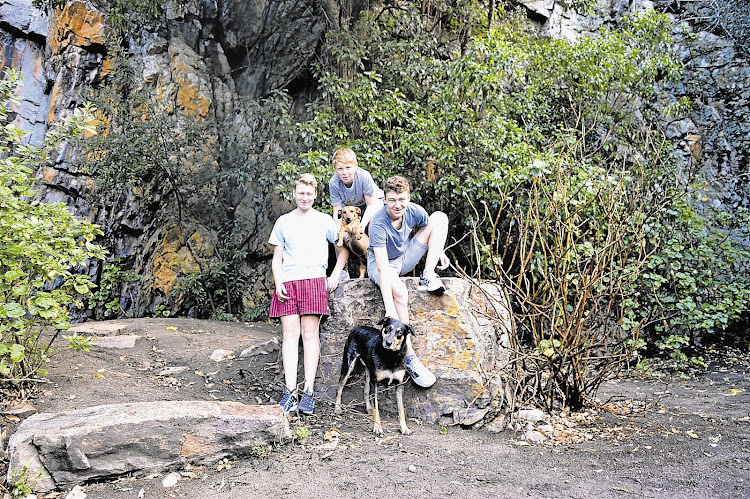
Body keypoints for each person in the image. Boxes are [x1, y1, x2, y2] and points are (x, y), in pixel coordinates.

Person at [269, 173, 348, 414]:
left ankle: (309, 392)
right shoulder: (283, 221)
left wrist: (334, 275)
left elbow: (343, 250)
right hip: (289, 281)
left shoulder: (325, 221)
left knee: (310, 334)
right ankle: (290, 392)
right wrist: (278, 280)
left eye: (309, 194)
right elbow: (277, 258)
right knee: (290, 335)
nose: (305, 197)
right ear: (294, 193)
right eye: (301, 193)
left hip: (314, 280)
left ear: (315, 195)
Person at [366, 175, 450, 388]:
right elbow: (383, 268)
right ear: (384, 199)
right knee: (401, 291)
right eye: (392, 200)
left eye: (402, 199)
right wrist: (389, 311)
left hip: (404, 260)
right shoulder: (378, 223)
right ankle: (409, 357)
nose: (398, 205)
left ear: (408, 197)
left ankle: (428, 273)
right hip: (381, 263)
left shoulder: (414, 211)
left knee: (439, 217)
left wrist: (437, 250)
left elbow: (430, 230)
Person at [329, 147, 384, 235]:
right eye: (340, 169)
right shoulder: (334, 183)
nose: (344, 172)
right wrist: (341, 230)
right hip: (351, 206)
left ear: (355, 166)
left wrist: (361, 227)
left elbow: (371, 205)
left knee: (372, 223)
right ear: (335, 169)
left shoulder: (363, 176)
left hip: (373, 202)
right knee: (340, 228)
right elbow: (337, 210)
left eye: (348, 168)